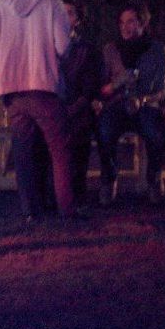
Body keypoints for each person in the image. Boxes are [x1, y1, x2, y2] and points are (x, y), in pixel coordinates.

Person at [0, 0, 77, 223]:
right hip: (43, 87)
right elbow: (63, 48)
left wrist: (4, 76)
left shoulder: (1, 5)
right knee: (59, 150)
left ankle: (30, 211)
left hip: (12, 90)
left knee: (23, 151)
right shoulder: (52, 4)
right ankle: (66, 209)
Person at [94, 5, 165, 204]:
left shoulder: (158, 51)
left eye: (131, 21)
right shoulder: (111, 50)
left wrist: (143, 99)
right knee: (104, 130)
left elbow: (162, 91)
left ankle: (153, 179)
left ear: (143, 23)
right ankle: (109, 179)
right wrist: (116, 83)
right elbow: (101, 89)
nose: (125, 27)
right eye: (122, 22)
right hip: (118, 103)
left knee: (154, 132)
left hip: (145, 104)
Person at [52, 12, 107, 209]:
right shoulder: (47, 46)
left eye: (69, 13)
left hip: (79, 106)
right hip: (52, 106)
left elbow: (92, 82)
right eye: (61, 12)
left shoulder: (86, 49)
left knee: (80, 127)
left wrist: (77, 105)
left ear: (77, 20)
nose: (63, 17)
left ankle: (76, 192)